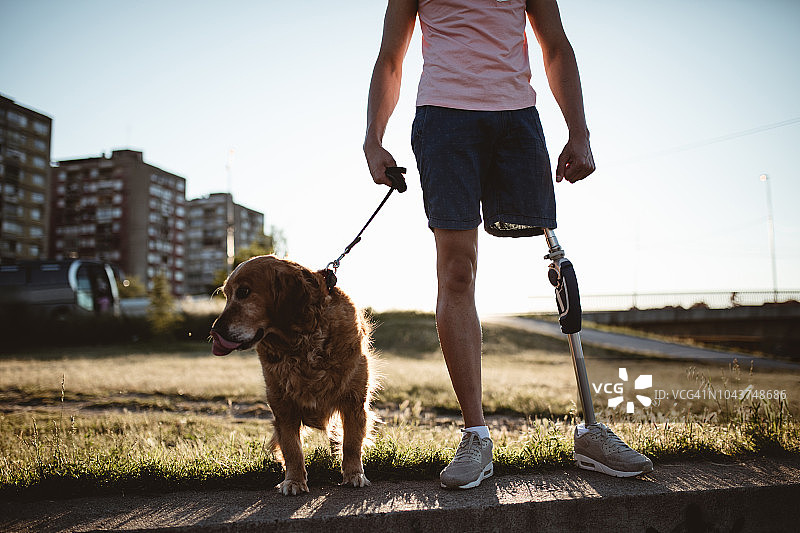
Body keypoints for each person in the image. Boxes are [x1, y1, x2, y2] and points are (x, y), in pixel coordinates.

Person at [364, 0, 652, 489]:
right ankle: (476, 435)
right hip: (443, 119)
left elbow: (555, 45)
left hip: (516, 119)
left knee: (555, 256)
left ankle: (591, 430)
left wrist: (579, 132)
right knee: (456, 272)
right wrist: (374, 139)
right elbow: (392, 56)